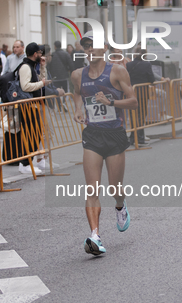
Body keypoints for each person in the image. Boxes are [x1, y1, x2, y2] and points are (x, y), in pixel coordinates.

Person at [71, 32, 137, 256]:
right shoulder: (78, 75)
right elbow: (76, 94)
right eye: (86, 46)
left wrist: (111, 101)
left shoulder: (117, 71)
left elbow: (134, 101)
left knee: (114, 187)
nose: (89, 50)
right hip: (93, 135)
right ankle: (95, 236)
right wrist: (78, 109)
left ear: (105, 48)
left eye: (93, 46)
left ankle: (120, 204)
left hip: (115, 134)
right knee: (92, 189)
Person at [126, 46, 171, 145]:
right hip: (142, 93)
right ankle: (140, 138)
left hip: (131, 93)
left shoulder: (128, 65)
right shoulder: (146, 64)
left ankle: (133, 138)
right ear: (145, 55)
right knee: (141, 115)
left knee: (133, 115)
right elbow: (151, 79)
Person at [16, 42, 48, 175]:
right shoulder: (25, 67)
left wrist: (42, 67)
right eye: (39, 53)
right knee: (31, 135)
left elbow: (40, 79)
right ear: (35, 54)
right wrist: (41, 84)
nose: (41, 55)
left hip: (32, 105)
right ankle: (25, 164)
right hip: (27, 106)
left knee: (35, 134)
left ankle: (28, 162)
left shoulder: (32, 66)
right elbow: (25, 86)